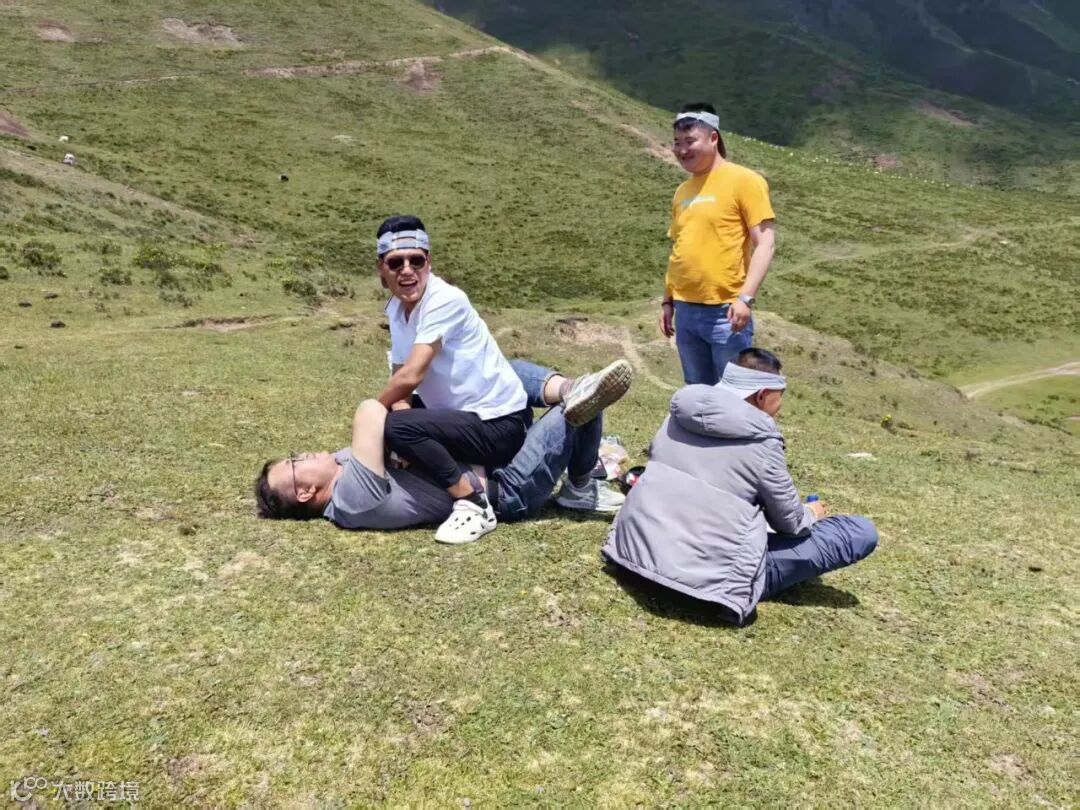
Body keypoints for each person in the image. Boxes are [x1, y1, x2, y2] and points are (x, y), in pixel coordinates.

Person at [602, 348, 877, 624]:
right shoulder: (763, 441)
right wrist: (812, 513)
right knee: (858, 532)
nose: (780, 408)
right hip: (705, 586)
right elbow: (791, 524)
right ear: (762, 395)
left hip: (631, 556)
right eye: (780, 396)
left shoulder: (678, 414)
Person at [253, 358, 633, 537]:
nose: (302, 455)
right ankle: (579, 486)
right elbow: (370, 411)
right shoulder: (350, 499)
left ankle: (566, 386)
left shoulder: (342, 463)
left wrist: (400, 433)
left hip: (484, 453)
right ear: (305, 493)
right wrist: (398, 421)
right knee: (580, 405)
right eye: (294, 463)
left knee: (490, 372)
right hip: (508, 488)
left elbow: (392, 428)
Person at [374, 214, 530, 544]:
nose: (407, 270)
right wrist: (401, 428)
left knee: (393, 425)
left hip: (497, 424)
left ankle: (473, 502)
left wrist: (375, 416)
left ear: (428, 262)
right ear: (381, 270)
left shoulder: (444, 299)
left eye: (416, 260)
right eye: (395, 263)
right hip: (462, 415)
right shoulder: (396, 309)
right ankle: (468, 470)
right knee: (400, 420)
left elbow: (412, 374)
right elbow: (400, 377)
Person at [660, 102, 777, 386]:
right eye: (677, 142)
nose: (682, 150)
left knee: (735, 394)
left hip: (725, 312)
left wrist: (745, 298)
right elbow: (679, 247)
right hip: (685, 310)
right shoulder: (682, 191)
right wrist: (667, 299)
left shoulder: (744, 180)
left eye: (690, 141)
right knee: (698, 393)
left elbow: (765, 243)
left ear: (713, 138)